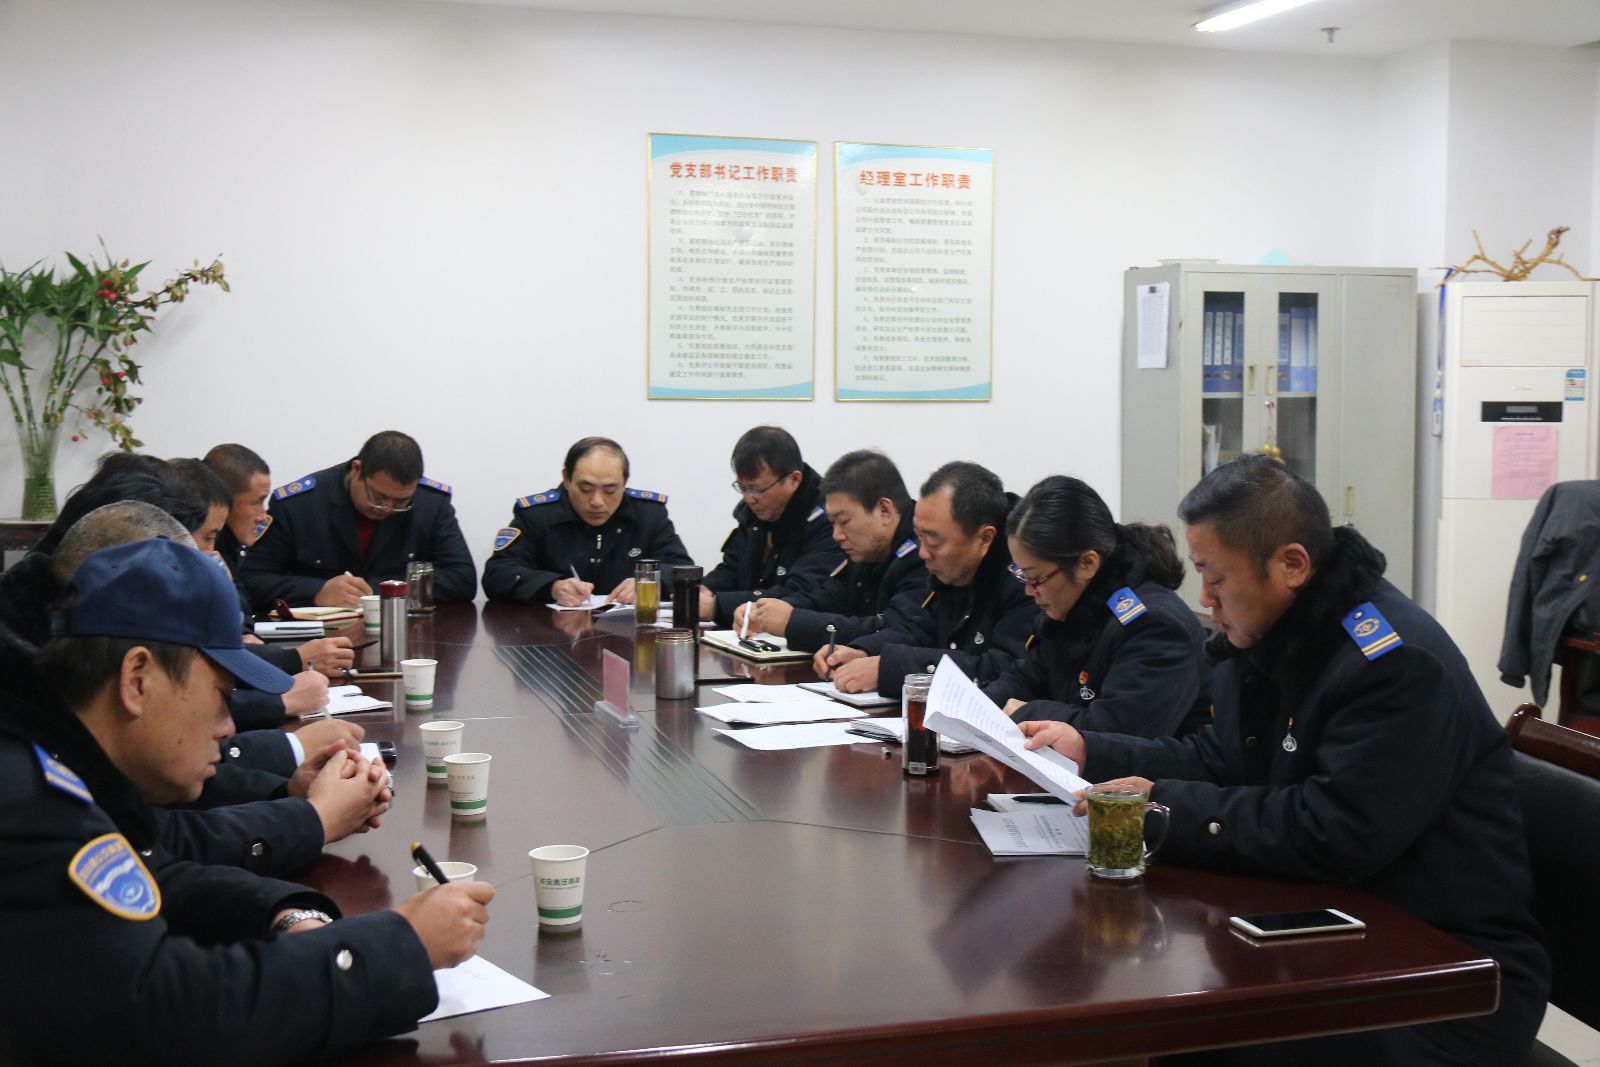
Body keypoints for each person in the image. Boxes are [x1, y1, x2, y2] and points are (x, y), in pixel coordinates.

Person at [1021, 455, 1550, 1065]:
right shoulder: (1272, 636)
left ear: (1292, 565)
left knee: (1172, 1036)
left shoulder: (1393, 665)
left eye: (1215, 578)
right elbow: (1220, 760)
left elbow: (1332, 831)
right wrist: (1094, 751)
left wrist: (1162, 810)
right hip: (1339, 927)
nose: (1204, 598)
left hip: (1443, 976)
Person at [0, 538, 491, 1064]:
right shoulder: (24, 801)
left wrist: (283, 912)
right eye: (222, 696)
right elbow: (176, 1014)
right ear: (136, 680)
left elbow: (153, 869)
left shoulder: (53, 761)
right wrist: (400, 947)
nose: (228, 726)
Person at [982, 476, 1211, 737]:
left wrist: (1028, 712)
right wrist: (979, 706)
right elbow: (1026, 678)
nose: (1028, 590)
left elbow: (1116, 735)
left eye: (1036, 579)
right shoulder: (1070, 608)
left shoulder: (1154, 628)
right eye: (1021, 575)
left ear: (1087, 564)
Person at [822, 462, 1036, 698]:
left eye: (934, 542)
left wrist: (891, 668)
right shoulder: (949, 567)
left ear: (984, 538)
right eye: (918, 537)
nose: (923, 552)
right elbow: (922, 628)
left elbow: (1001, 668)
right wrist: (864, 650)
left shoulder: (1027, 578)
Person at [237, 430, 477, 610]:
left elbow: (462, 579)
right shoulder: (298, 505)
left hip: (406, 631)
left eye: (401, 502)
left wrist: (380, 589)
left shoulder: (430, 504)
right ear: (357, 470)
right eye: (379, 498)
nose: (388, 509)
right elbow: (252, 581)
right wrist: (318, 591)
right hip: (319, 638)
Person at [734, 449, 927, 653]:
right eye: (832, 523)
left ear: (884, 511)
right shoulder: (866, 551)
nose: (837, 535)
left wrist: (793, 622)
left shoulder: (924, 557)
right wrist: (766, 610)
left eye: (844, 521)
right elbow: (826, 599)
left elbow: (893, 631)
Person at [482, 436, 693, 607]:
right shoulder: (537, 515)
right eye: (585, 489)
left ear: (624, 482)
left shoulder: (648, 514)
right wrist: (551, 587)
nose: (597, 501)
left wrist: (650, 583)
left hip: (627, 632)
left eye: (610, 490)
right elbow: (497, 574)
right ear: (567, 479)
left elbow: (684, 570)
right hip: (553, 634)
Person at [699, 426, 844, 627]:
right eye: (742, 488)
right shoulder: (754, 512)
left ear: (794, 480)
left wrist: (717, 606)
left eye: (756, 489)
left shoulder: (827, 519)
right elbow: (733, 568)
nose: (749, 499)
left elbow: (799, 592)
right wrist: (706, 589)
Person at [204, 442, 273, 576]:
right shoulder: (201, 552)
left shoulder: (232, 546)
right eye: (256, 502)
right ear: (224, 500)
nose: (263, 517)